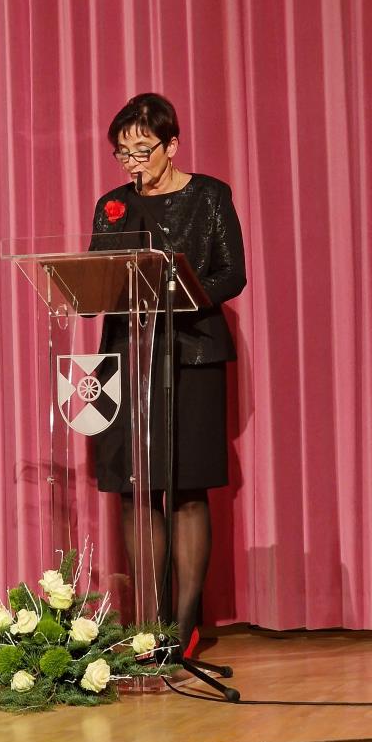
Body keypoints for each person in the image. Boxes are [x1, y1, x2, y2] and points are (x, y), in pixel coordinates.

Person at [90, 92, 246, 658]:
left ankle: (183, 628)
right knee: (134, 490)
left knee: (185, 490)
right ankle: (148, 626)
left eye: (142, 150)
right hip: (128, 357)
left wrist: (183, 295)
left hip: (190, 354)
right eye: (122, 152)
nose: (132, 162)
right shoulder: (112, 205)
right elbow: (98, 276)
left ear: (172, 144)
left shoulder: (209, 196)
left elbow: (233, 273)